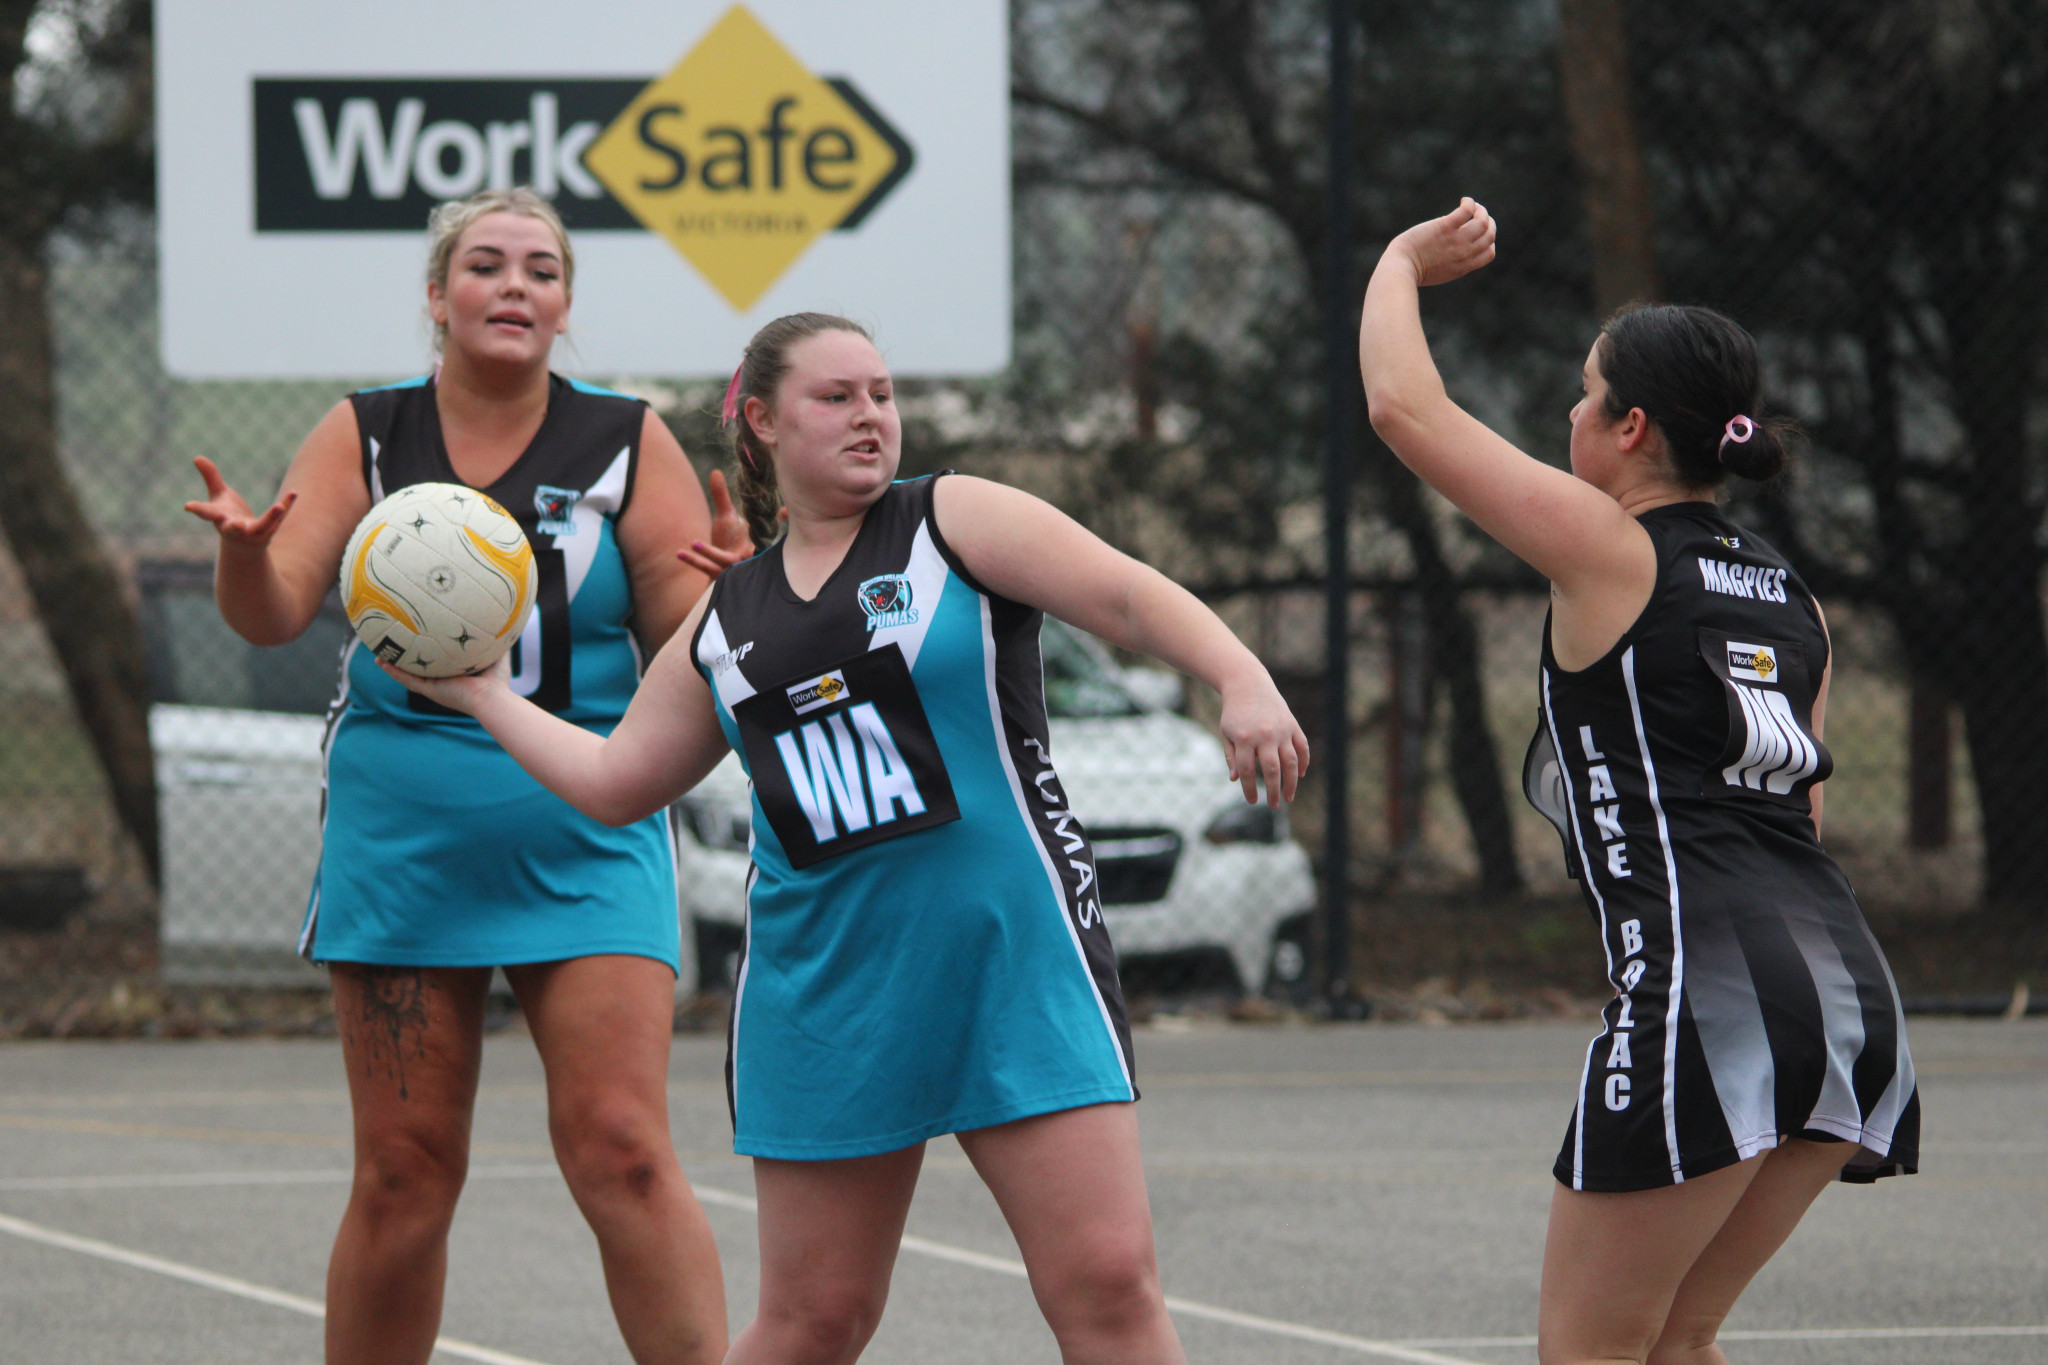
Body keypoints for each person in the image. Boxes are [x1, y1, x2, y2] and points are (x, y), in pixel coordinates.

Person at [379, 311, 1311, 1365]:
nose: (870, 414)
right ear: (764, 421)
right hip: (824, 989)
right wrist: (482, 696)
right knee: (813, 1322)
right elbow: (614, 782)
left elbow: (1128, 598)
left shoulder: (951, 522)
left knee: (1106, 1282)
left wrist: (1240, 676)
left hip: (1008, 958)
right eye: (837, 397)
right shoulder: (726, 618)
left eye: (881, 393)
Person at [183, 187, 745, 1365]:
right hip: (408, 826)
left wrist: (736, 593)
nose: (515, 288)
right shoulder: (368, 433)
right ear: (437, 298)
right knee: (402, 1172)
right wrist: (243, 558)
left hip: (585, 818)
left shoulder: (627, 440)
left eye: (541, 271)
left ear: (565, 305)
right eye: (485, 267)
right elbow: (277, 609)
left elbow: (687, 631)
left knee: (624, 1152)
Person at [1359, 200, 1919, 1365]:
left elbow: (1403, 409)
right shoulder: (1791, 598)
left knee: (1587, 1353)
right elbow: (1796, 814)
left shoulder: (1608, 546)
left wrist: (1397, 263)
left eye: (1581, 394)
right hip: (1847, 999)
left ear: (1625, 429)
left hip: (1703, 995)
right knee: (1673, 1342)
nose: (1566, 414)